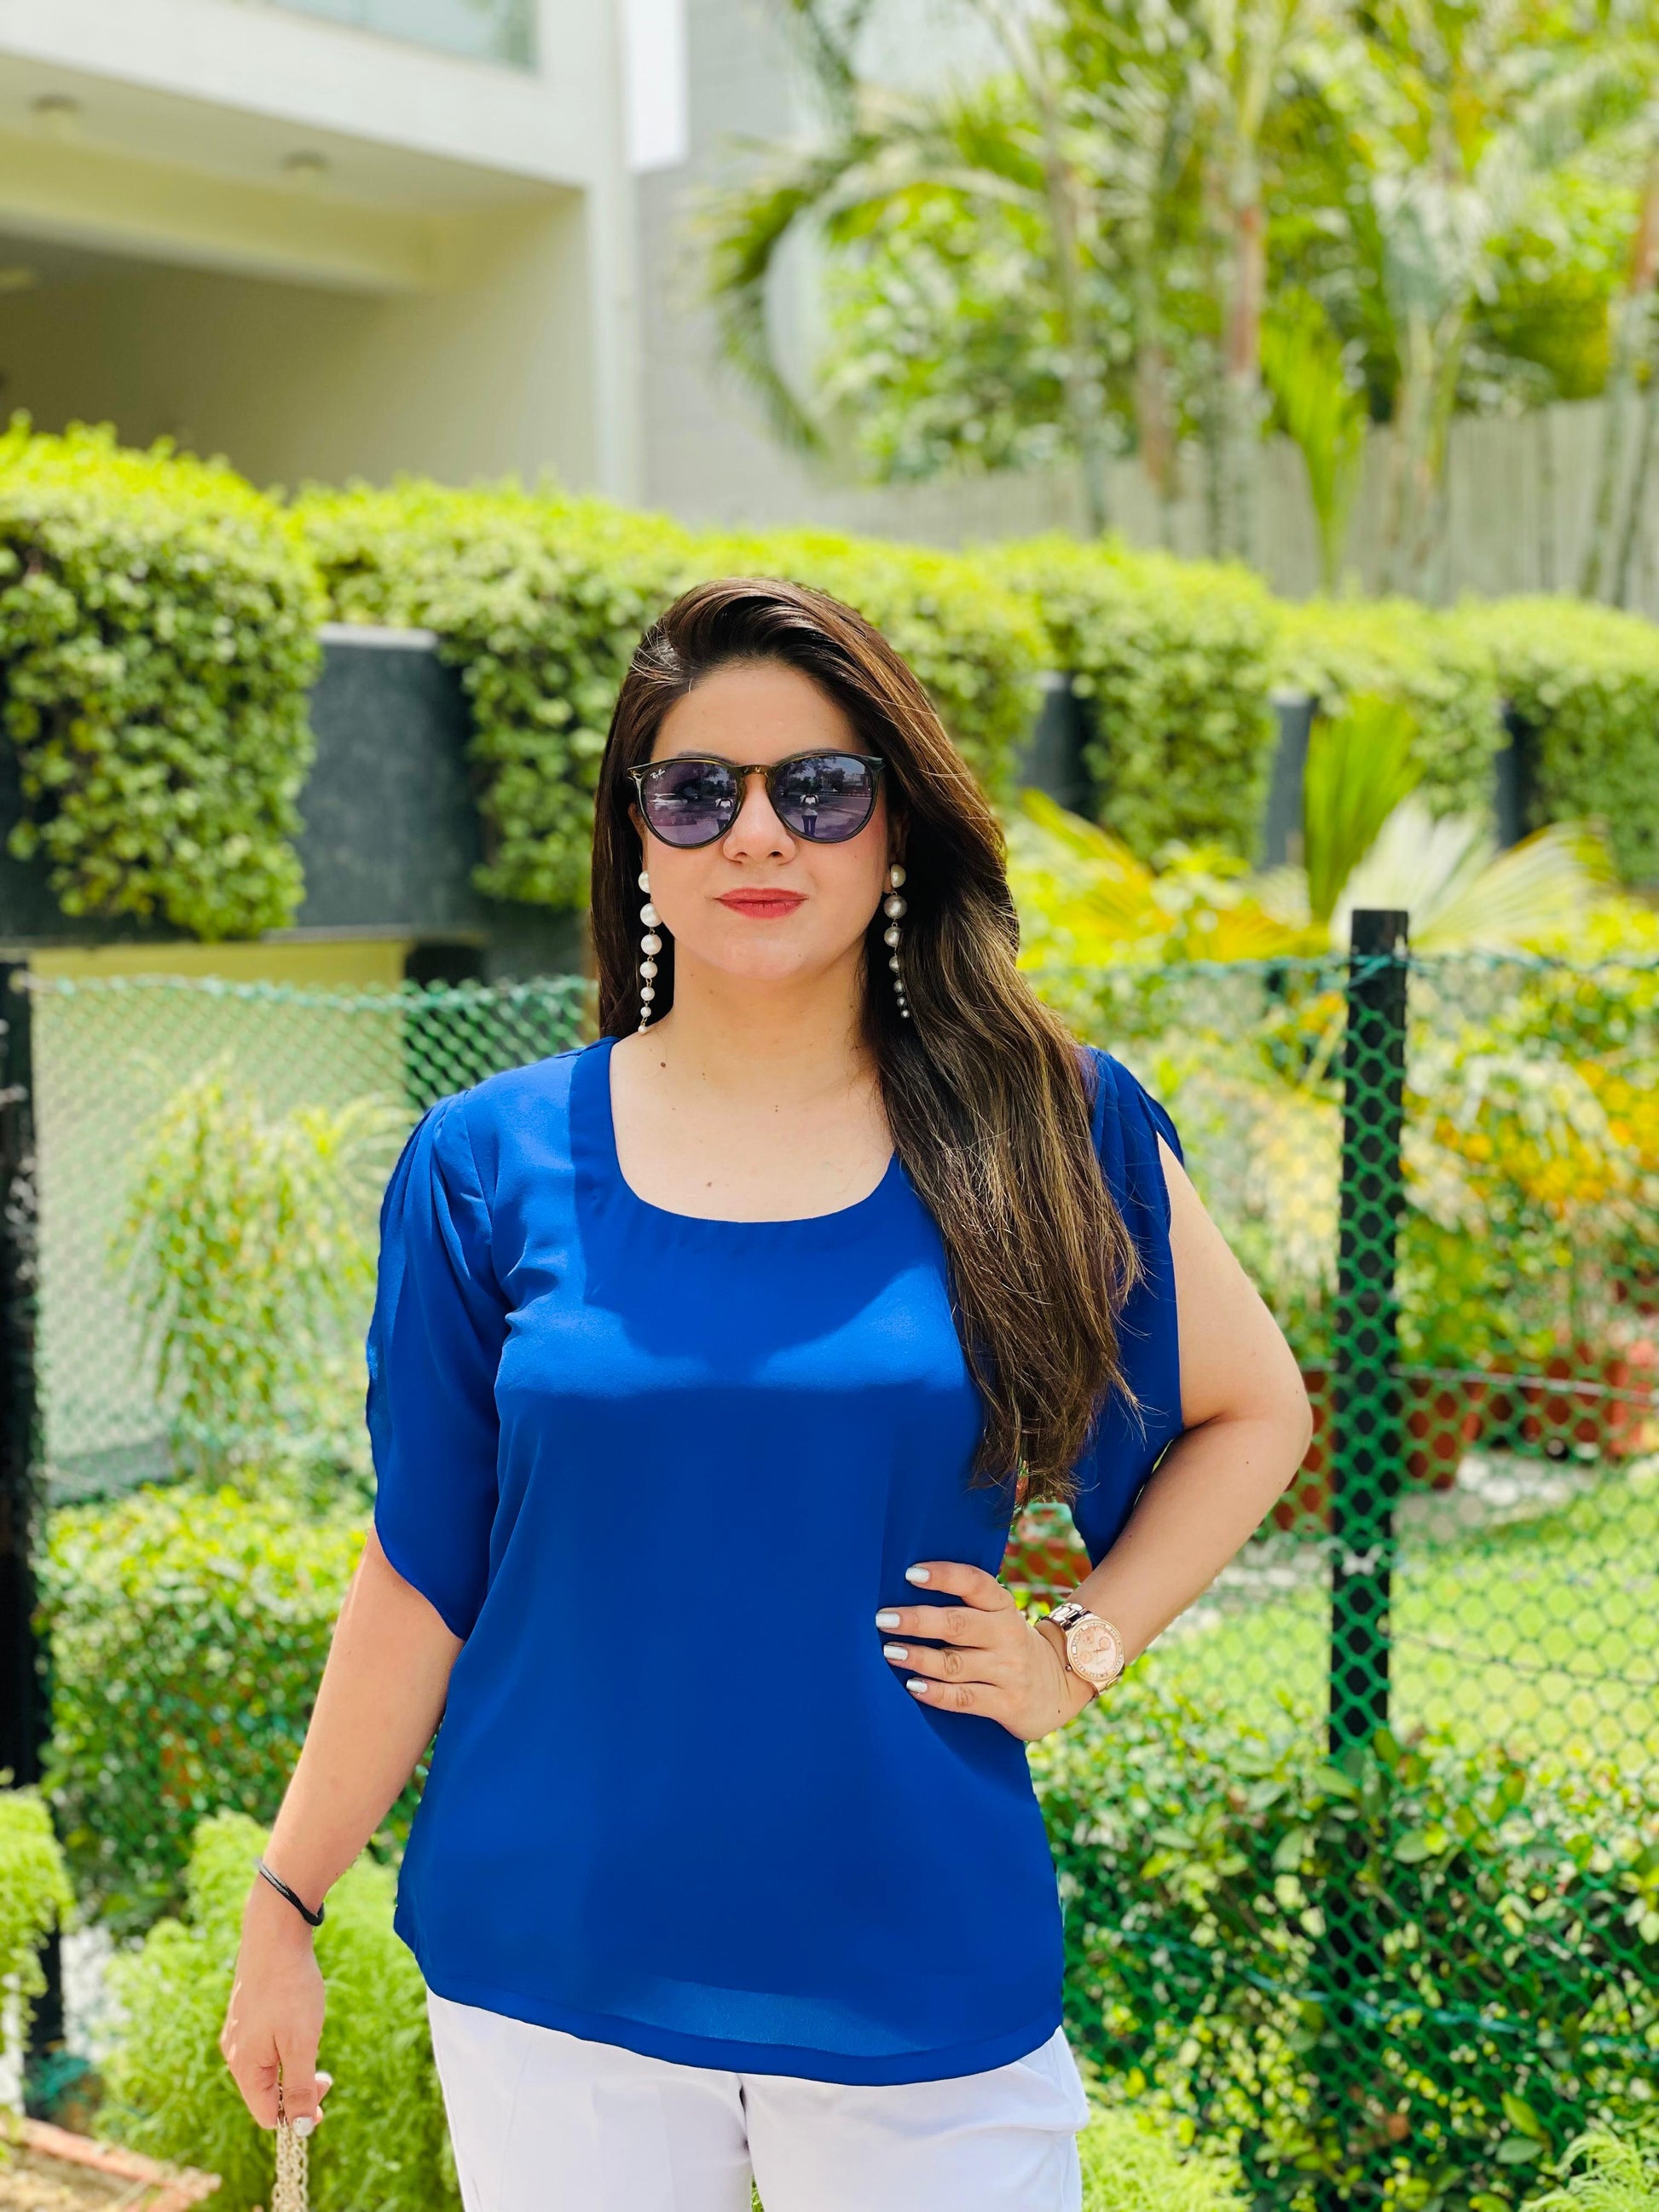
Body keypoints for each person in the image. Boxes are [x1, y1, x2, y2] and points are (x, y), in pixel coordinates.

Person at [221, 576, 1312, 2212]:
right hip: (553, 1968)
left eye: (817, 789)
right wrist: (287, 1901)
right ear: (638, 838)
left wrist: (1078, 1652)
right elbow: (423, 1564)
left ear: (893, 828)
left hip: (914, 1957)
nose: (755, 834)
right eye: (694, 791)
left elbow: (1255, 1411)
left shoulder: (1046, 1125)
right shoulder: (484, 1162)